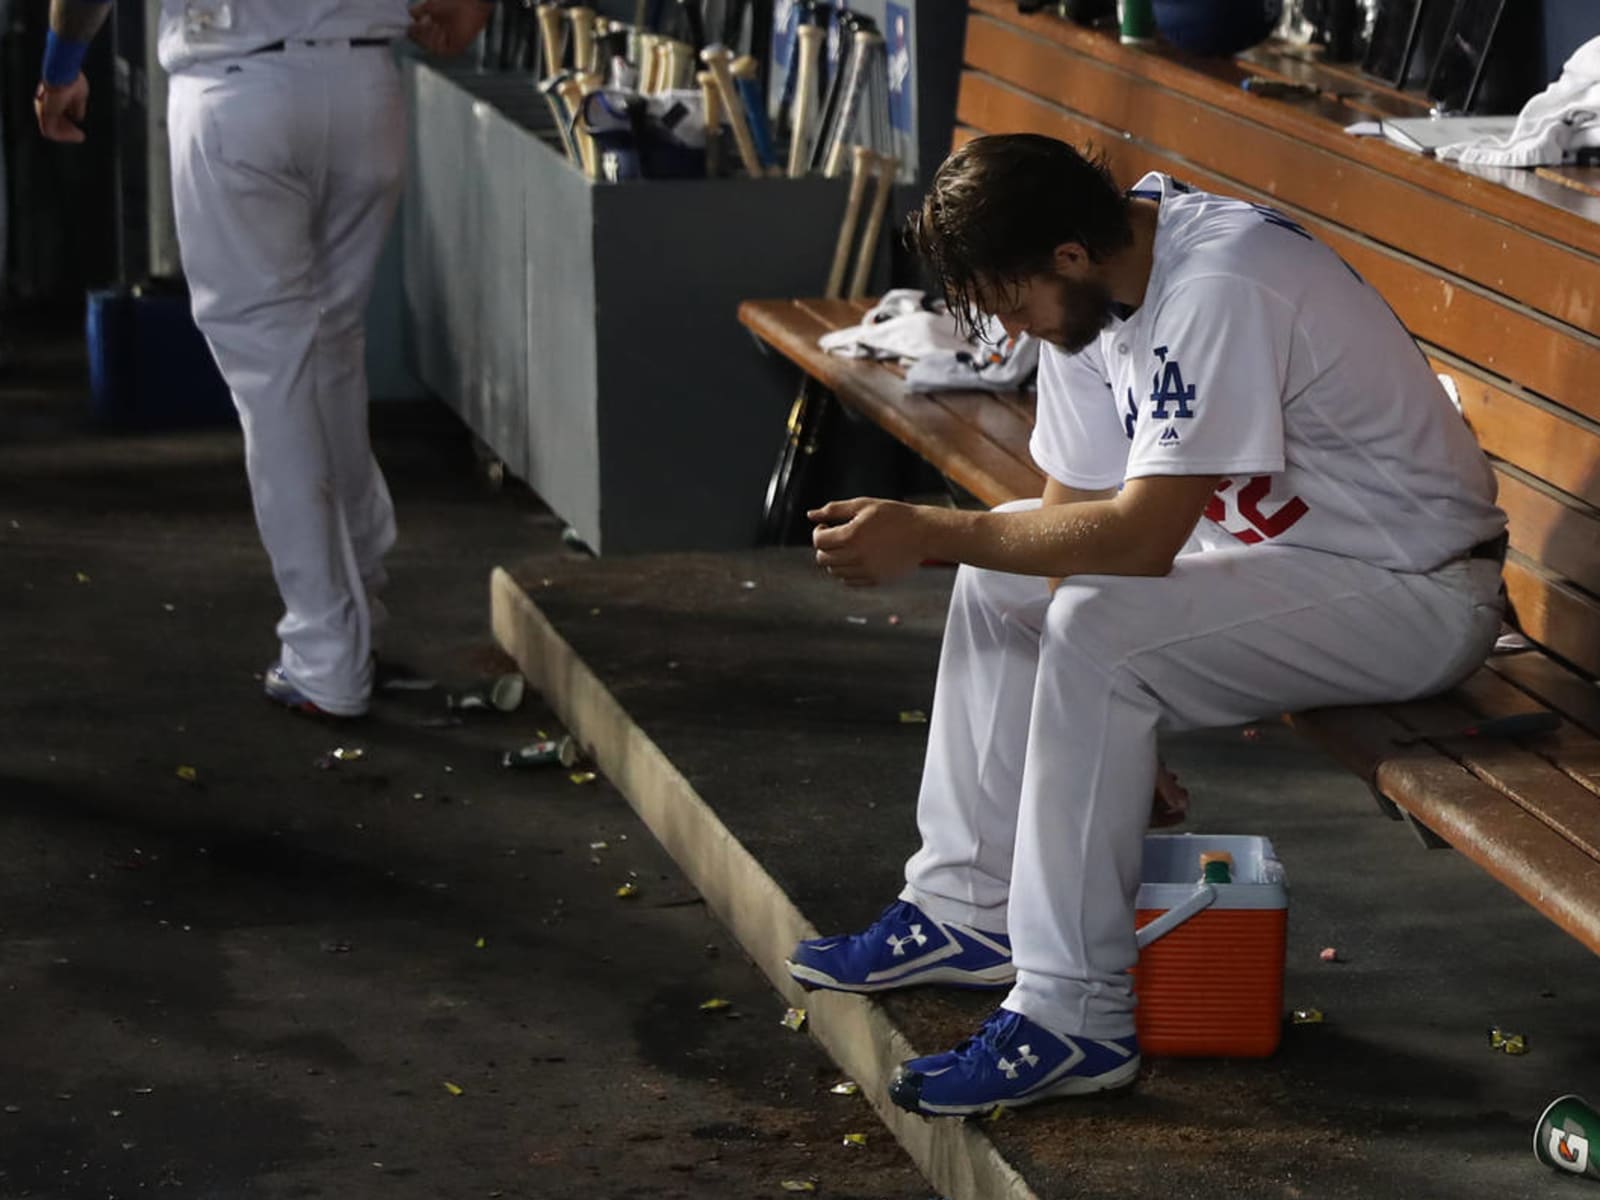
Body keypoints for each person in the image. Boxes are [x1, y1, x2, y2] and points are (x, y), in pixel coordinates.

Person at [787, 134, 1507, 1117]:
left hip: (1413, 590)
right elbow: (1065, 517)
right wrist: (1093, 746)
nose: (1016, 327)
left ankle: (1073, 1015)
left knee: (1087, 625)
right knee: (1005, 569)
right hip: (1288, 569)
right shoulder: (1088, 296)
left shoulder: (1219, 283)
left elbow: (1138, 539)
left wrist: (925, 531)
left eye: (1012, 302)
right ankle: (964, 906)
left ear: (1069, 257)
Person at [35, 0, 491, 718]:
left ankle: (325, 655)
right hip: (365, 86)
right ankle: (358, 607)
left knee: (275, 370)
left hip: (236, 87)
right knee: (330, 349)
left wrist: (61, 67)